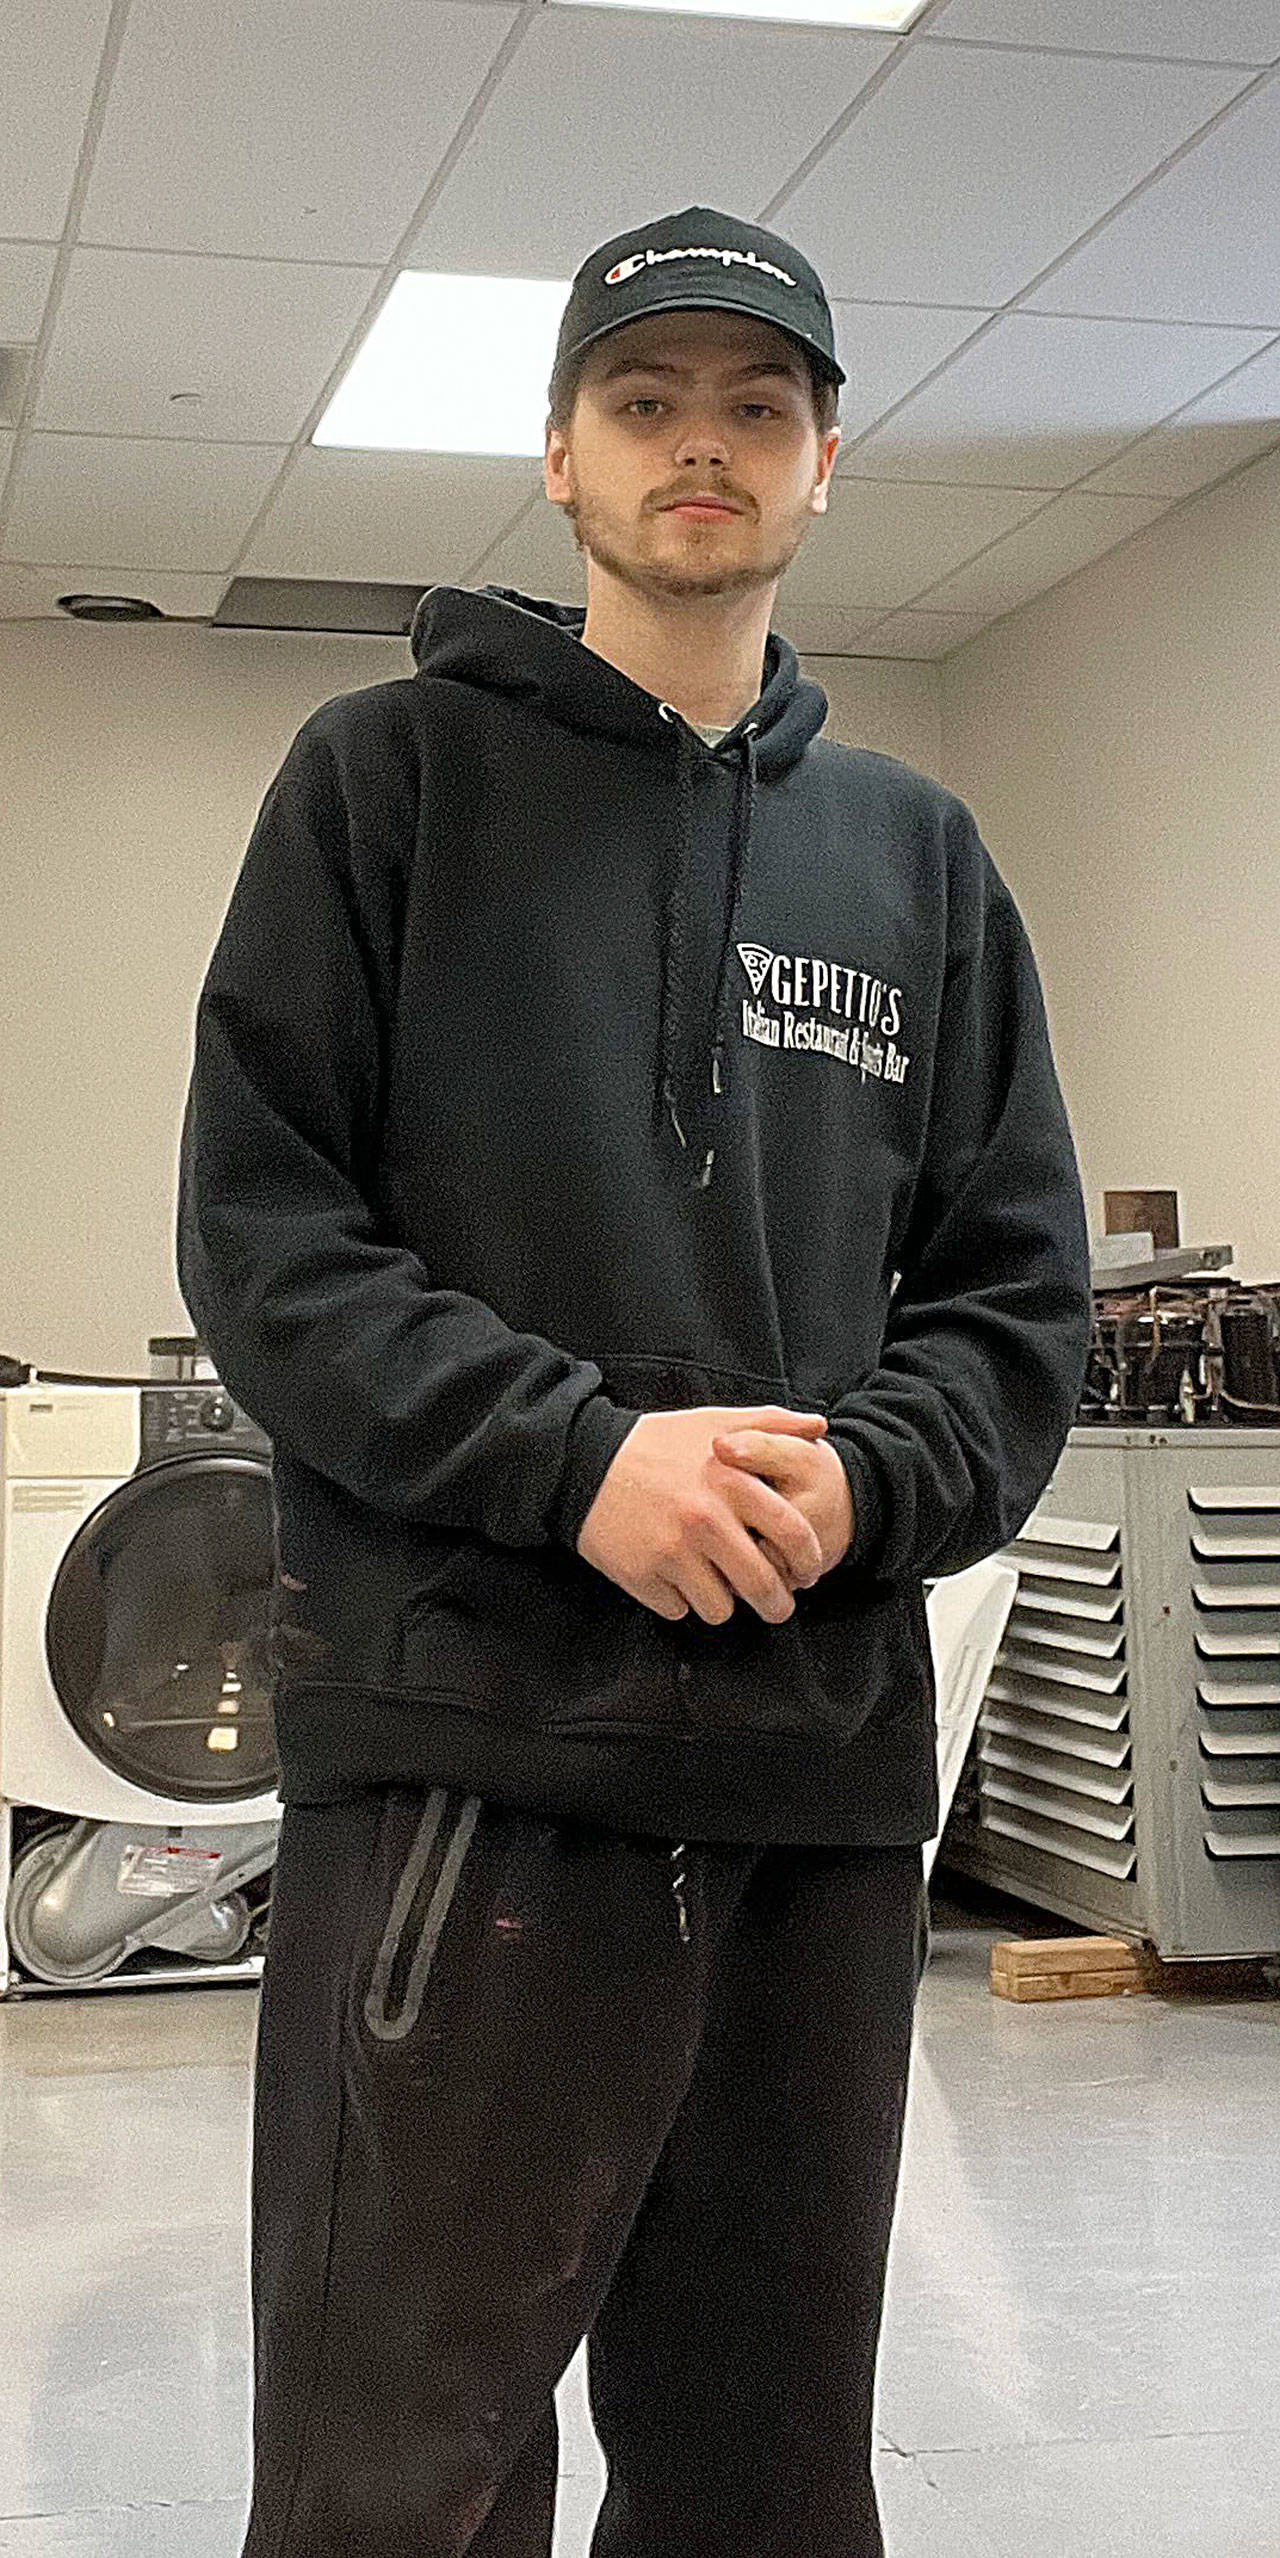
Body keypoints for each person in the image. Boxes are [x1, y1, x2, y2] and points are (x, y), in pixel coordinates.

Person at [177, 203, 1093, 2558]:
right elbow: (268, 1241)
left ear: (820, 466)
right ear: (561, 457)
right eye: (646, 400)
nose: (704, 444)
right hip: (470, 1766)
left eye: (756, 406)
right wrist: (577, 1460)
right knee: (402, 2479)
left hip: (812, 1783)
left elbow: (1011, 1304)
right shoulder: (383, 787)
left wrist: (861, 1482)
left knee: (765, 2481)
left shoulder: (916, 861)